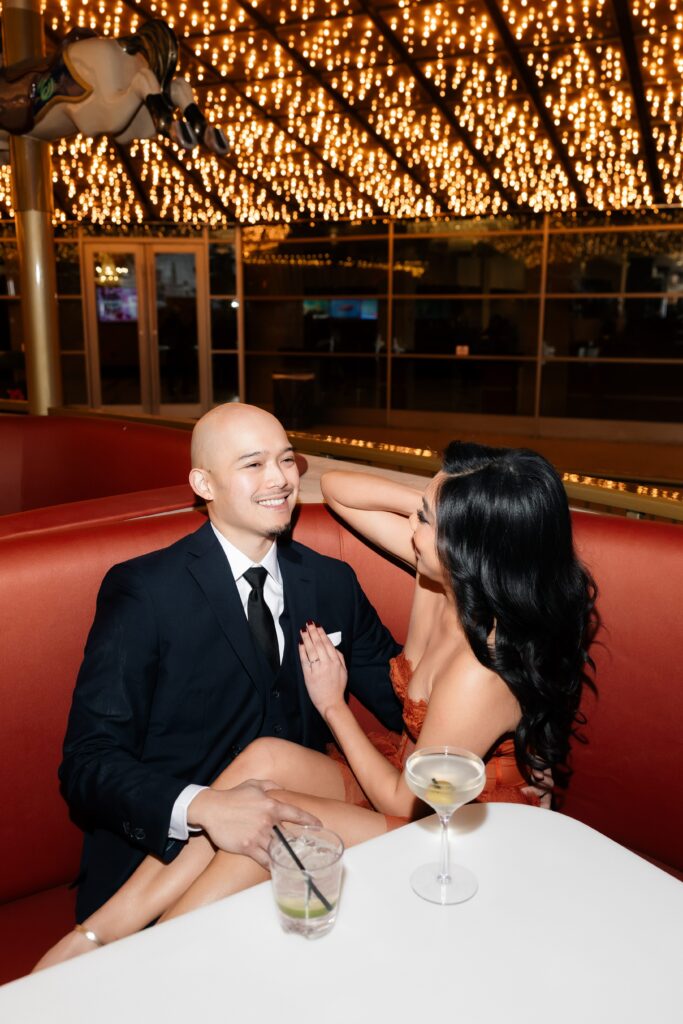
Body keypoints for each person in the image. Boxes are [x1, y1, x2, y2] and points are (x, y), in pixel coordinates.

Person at [36, 441, 596, 969]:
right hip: (404, 771)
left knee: (270, 819)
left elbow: (409, 801)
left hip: (455, 826)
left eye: (424, 521)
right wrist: (450, 503)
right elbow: (341, 489)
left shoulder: (481, 666)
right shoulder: (442, 581)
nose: (411, 529)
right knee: (263, 761)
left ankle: (146, 963)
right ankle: (99, 934)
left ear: (467, 544)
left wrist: (333, 706)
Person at [57, 403, 402, 925]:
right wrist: (200, 807)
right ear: (204, 483)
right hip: (166, 868)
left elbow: (408, 701)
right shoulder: (145, 591)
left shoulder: (332, 583)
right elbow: (88, 761)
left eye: (287, 461)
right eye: (253, 464)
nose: (279, 480)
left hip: (295, 855)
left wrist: (510, 747)